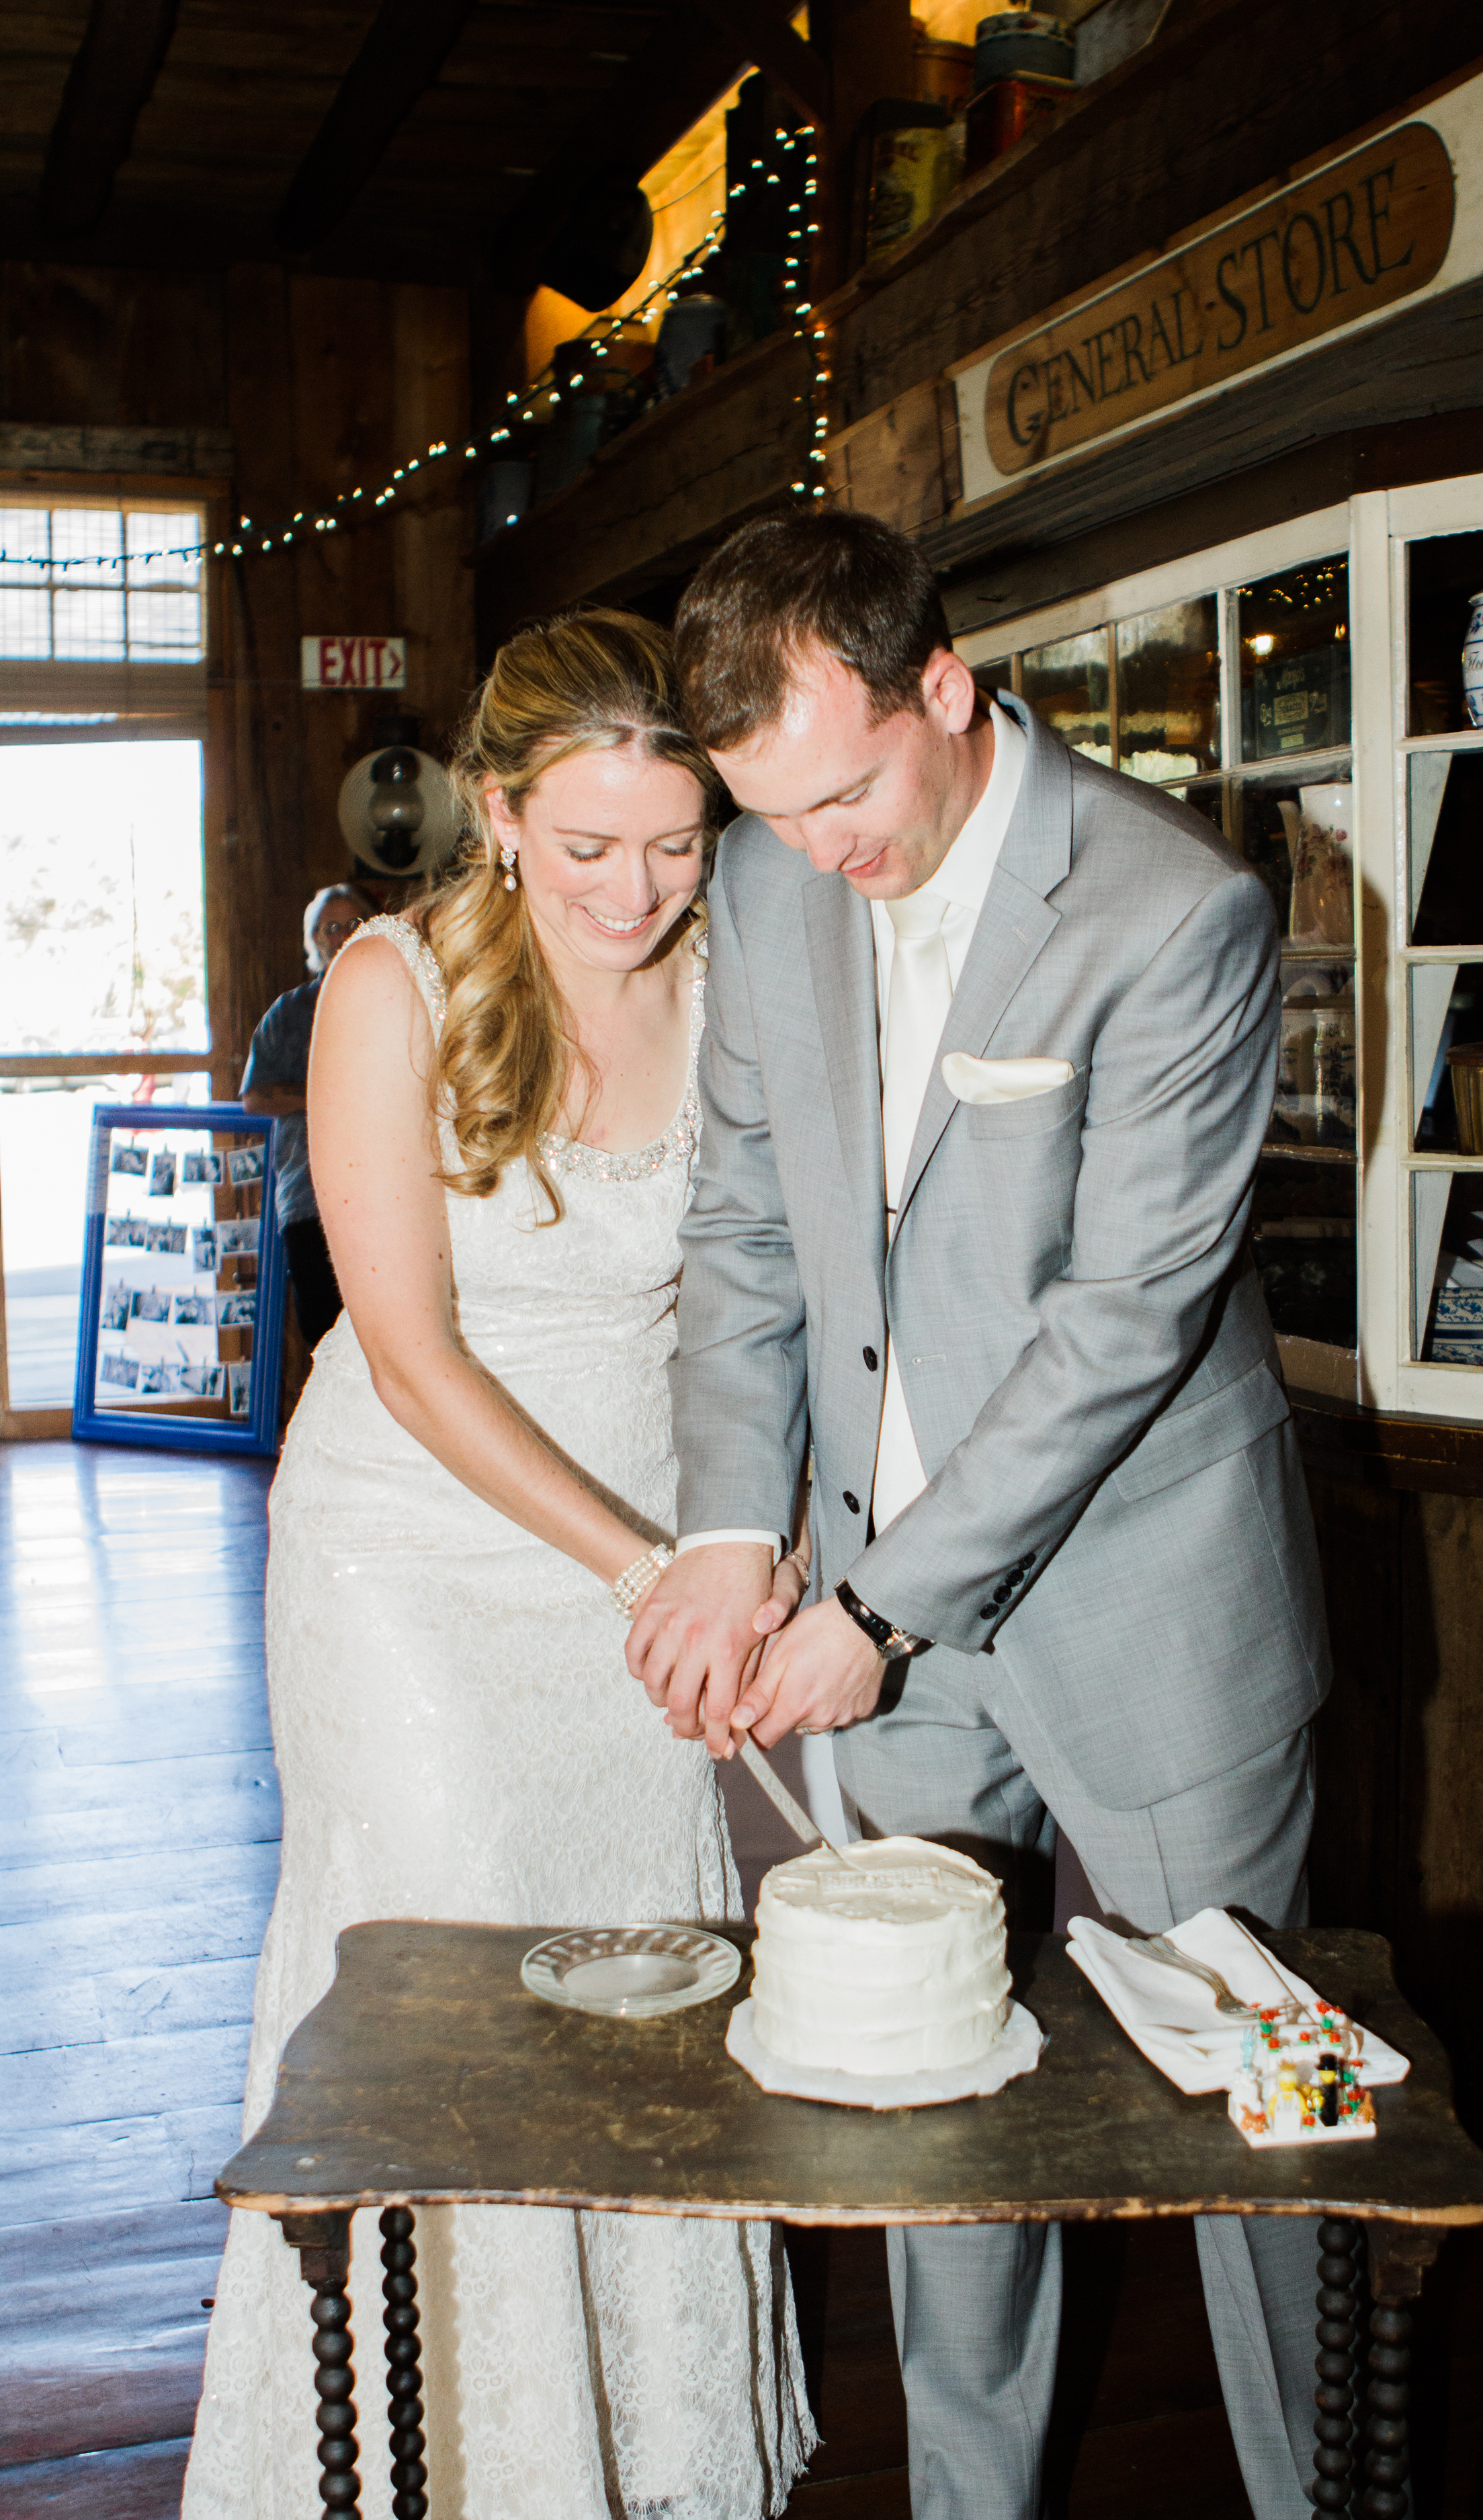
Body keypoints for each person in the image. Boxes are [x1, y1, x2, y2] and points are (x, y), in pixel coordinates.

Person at [627, 509, 1333, 2520]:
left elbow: (1120, 1325)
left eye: (841, 790)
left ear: (941, 687)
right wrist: (717, 1532)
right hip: (880, 1607)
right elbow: (748, 1230)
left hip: (1146, 1627)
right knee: (935, 2108)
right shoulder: (765, 889)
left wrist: (875, 1605)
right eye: (767, 807)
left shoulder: (1165, 904)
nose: (812, 845)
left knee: (1260, 2124)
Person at [184, 614, 815, 2520]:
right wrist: (652, 1570)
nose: (633, 891)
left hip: (656, 1537)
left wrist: (752, 1541)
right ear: (500, 807)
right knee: (459, 1972)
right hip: (417, 1567)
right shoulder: (396, 984)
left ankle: (635, 2446)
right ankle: (449, 2456)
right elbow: (409, 1351)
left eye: (678, 844)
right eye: (591, 844)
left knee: (645, 1965)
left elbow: (763, 1292)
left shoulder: (730, 973)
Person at [241, 883, 376, 1349]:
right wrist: (328, 1095)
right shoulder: (288, 1012)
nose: (342, 936)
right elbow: (257, 1097)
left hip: (386, 1194)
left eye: (352, 925)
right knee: (325, 1335)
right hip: (309, 1197)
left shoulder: (401, 999)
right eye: (330, 928)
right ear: (314, 941)